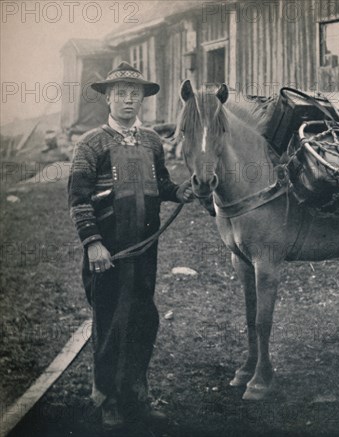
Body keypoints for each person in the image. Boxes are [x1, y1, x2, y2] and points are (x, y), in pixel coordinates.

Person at [67, 62, 194, 428]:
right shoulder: (91, 143)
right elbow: (78, 199)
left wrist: (179, 192)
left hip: (144, 252)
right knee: (110, 323)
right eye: (120, 93)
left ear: (142, 99)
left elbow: (163, 185)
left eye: (134, 93)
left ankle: (136, 396)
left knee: (142, 320)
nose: (127, 100)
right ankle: (106, 399)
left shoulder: (152, 141)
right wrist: (93, 243)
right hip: (108, 254)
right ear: (107, 97)